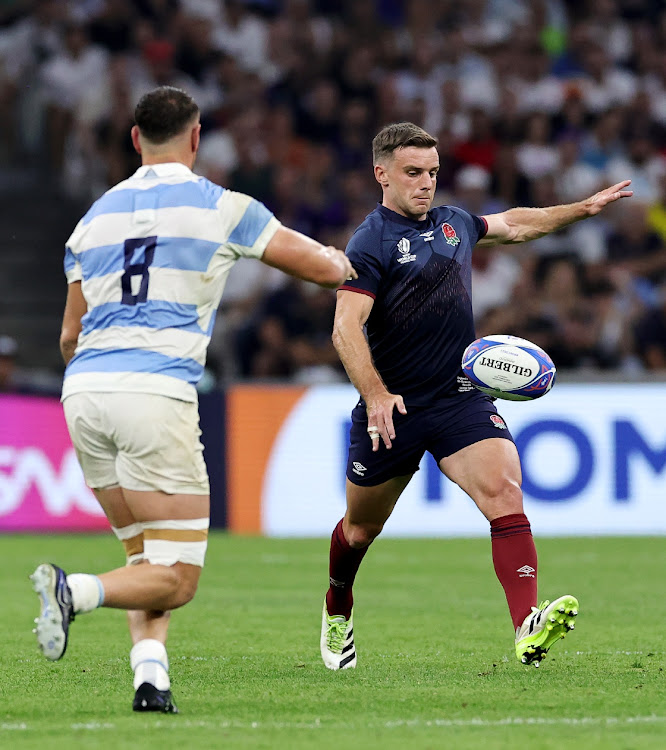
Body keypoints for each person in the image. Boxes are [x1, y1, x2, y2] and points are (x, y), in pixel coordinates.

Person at [29, 85, 355, 713]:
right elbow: (320, 268)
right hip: (154, 394)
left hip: (85, 393)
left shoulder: (92, 217)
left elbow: (69, 333)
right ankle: (74, 591)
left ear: (134, 140)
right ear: (197, 137)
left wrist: (98, 381)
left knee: (145, 558)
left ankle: (150, 679)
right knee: (177, 579)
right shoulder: (222, 206)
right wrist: (352, 262)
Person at [320, 122, 632, 670]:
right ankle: (337, 604)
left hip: (459, 397)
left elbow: (513, 224)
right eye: (413, 173)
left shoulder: (454, 223)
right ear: (382, 174)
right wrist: (374, 395)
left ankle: (527, 625)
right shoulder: (370, 242)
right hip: (394, 407)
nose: (426, 183)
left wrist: (579, 210)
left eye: (433, 173)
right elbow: (346, 328)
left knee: (505, 494)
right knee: (360, 529)